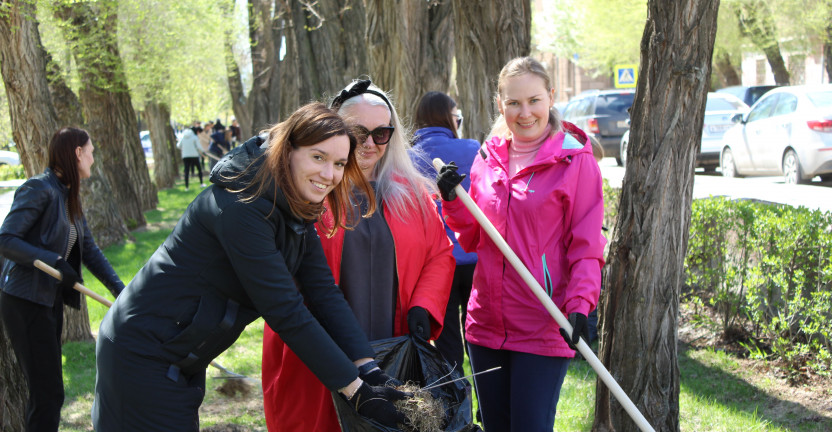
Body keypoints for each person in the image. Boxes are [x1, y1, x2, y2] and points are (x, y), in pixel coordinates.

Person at [91, 103, 409, 431]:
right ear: (287, 152)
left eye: (339, 163)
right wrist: (355, 391)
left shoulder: (296, 205)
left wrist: (369, 368)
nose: (329, 175)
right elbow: (286, 311)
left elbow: (323, 292)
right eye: (318, 157)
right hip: (142, 353)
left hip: (182, 352)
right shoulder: (241, 208)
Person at [261, 80, 455, 431]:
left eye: (381, 134)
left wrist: (424, 306)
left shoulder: (411, 194)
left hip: (392, 338)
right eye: (357, 132)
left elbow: (440, 253)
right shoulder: (308, 191)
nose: (369, 143)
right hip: (318, 340)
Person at [436, 57, 606, 431]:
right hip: (486, 326)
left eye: (533, 100)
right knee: (495, 426)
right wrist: (453, 200)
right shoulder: (487, 158)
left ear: (551, 97)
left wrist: (580, 305)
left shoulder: (575, 160)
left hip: (545, 323)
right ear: (500, 104)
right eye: (513, 103)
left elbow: (587, 244)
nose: (524, 112)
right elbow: (474, 236)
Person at [0, 127, 125, 432]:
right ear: (77, 153)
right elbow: (6, 239)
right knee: (48, 393)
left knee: (50, 392)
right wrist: (53, 260)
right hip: (24, 300)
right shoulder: (38, 189)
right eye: (91, 151)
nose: (94, 159)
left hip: (47, 300)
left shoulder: (69, 195)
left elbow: (90, 251)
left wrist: (122, 291)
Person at [411, 91, 480, 370]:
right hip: (473, 253)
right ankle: (485, 405)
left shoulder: (407, 157)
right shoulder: (473, 149)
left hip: (435, 260)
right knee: (476, 335)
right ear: (449, 119)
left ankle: (454, 403)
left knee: (446, 338)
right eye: (457, 118)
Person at [177, 126, 206, 191]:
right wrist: (203, 152)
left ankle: (187, 187)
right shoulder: (194, 137)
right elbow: (199, 146)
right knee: (199, 169)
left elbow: (178, 145)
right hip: (194, 155)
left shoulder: (183, 137)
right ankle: (201, 183)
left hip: (185, 156)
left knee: (187, 171)